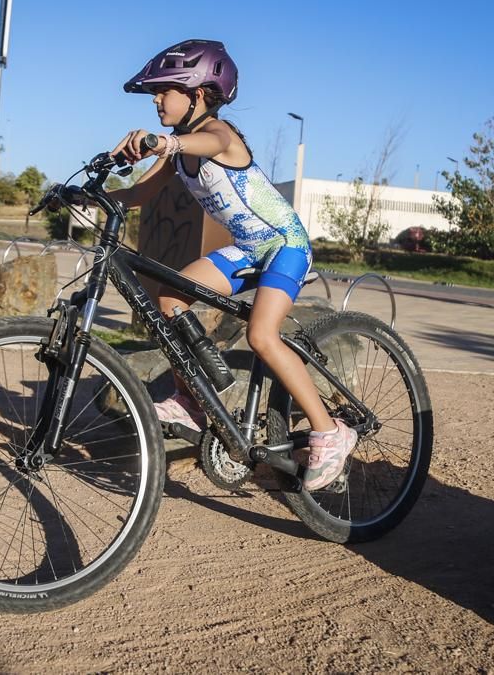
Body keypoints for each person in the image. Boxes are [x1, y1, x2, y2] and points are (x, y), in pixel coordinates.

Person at [108, 39, 355, 491]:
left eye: (165, 91)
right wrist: (88, 195)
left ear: (198, 94)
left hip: (284, 244)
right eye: (155, 93)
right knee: (170, 298)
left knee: (262, 335)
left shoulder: (222, 137)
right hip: (248, 247)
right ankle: (192, 400)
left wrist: (163, 141)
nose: (157, 100)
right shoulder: (180, 155)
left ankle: (331, 432)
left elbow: (207, 140)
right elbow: (137, 194)